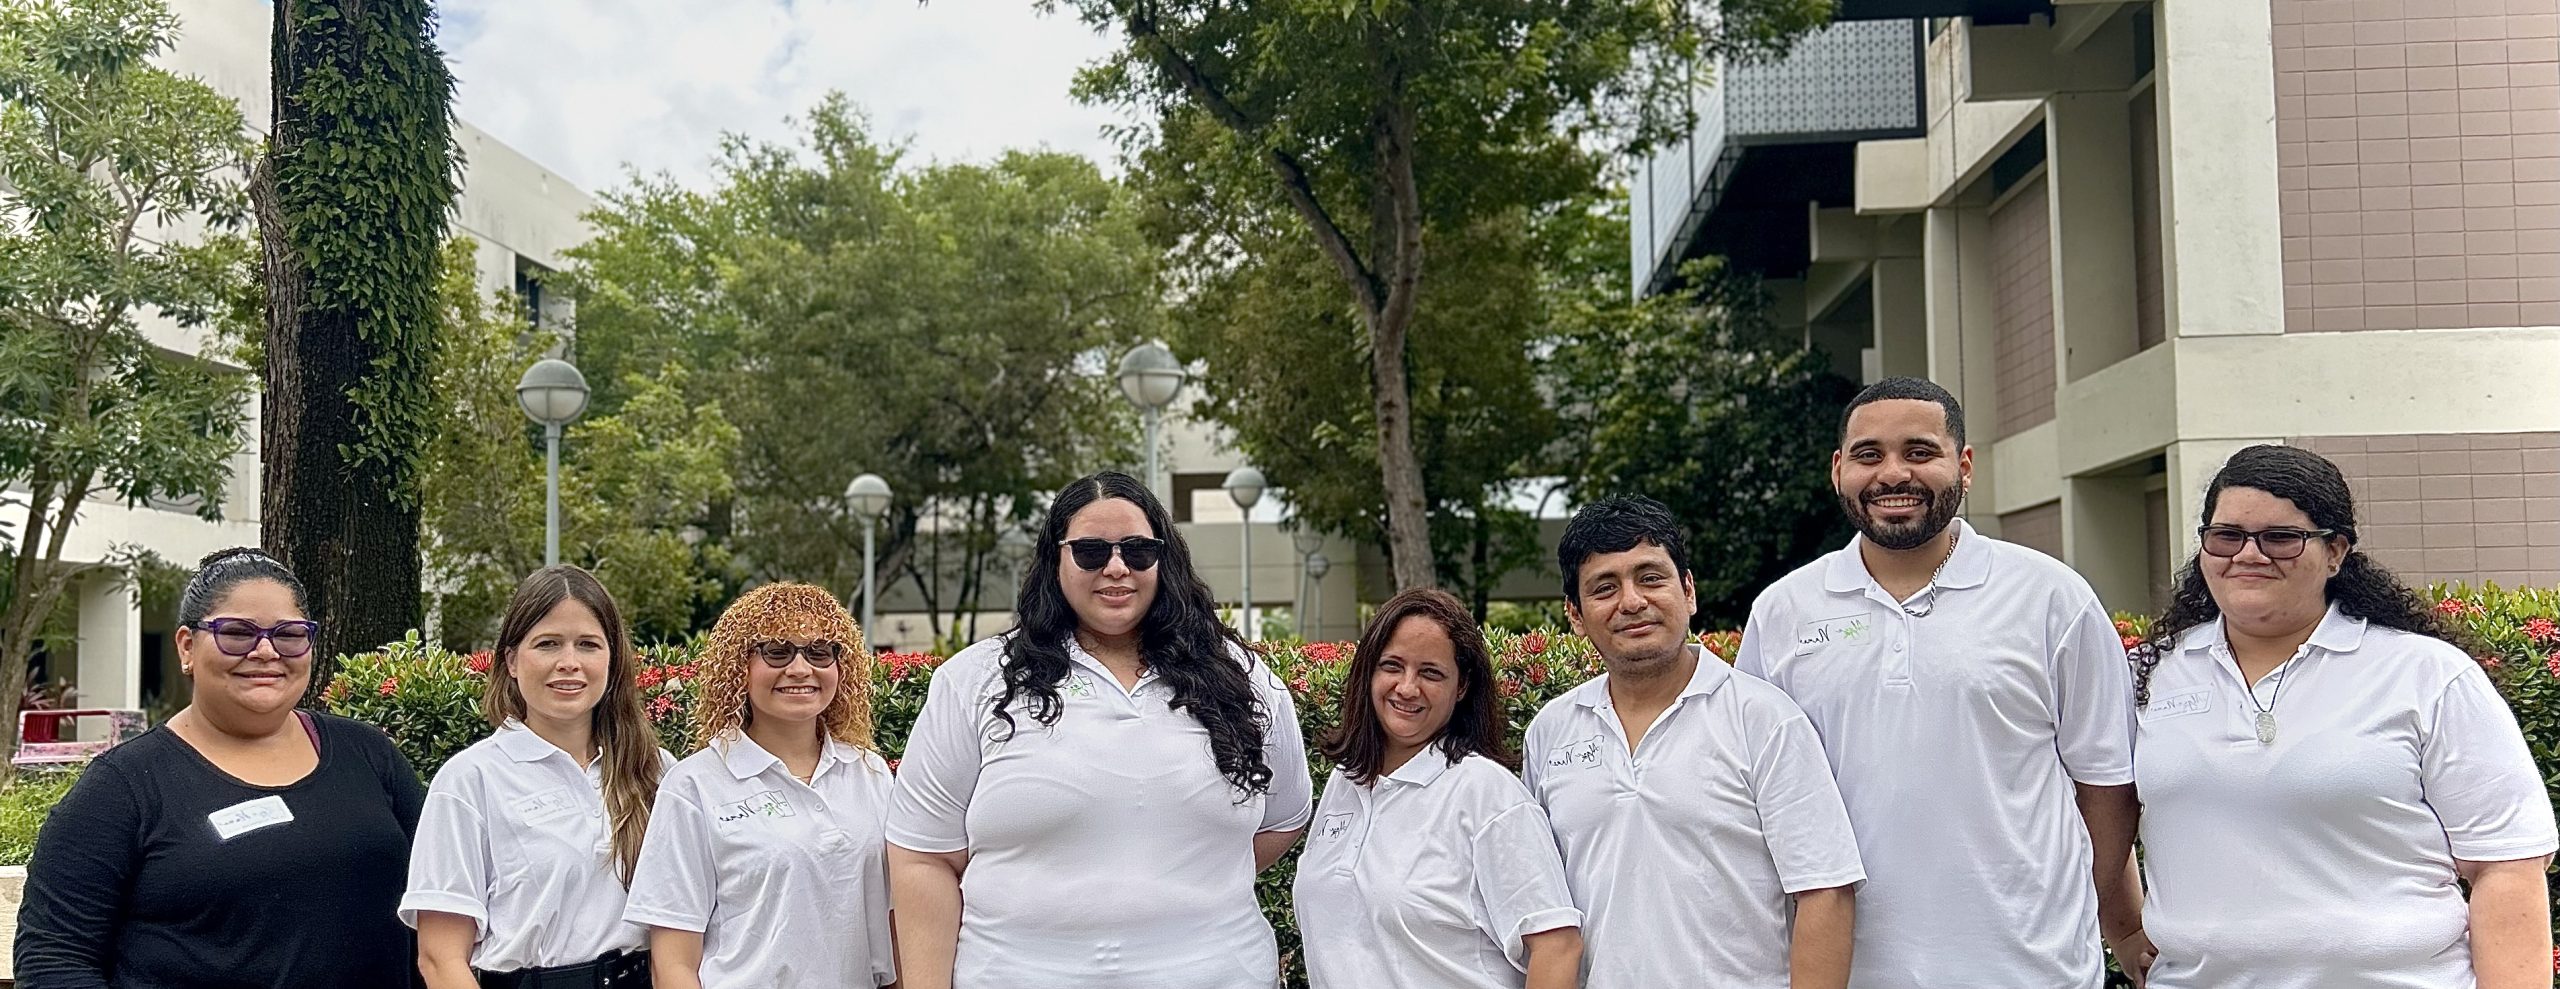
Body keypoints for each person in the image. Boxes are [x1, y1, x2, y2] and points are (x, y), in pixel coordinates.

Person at [1733, 377, 2140, 989]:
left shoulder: (2051, 597)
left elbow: (2106, 784)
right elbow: (1758, 799)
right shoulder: (1783, 611)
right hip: (1849, 972)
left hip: (2030, 968)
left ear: (1964, 465)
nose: (1893, 474)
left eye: (1920, 452)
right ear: (1838, 469)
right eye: (1869, 455)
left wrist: (2107, 917)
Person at [2124, 444, 2555, 989]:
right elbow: (2102, 820)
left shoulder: (2429, 676)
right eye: (2227, 535)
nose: (2249, 554)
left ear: (2335, 551)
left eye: (2281, 538)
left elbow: (2506, 865)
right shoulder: (2147, 675)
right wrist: (2124, 933)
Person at [887, 470, 1313, 989]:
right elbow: (923, 855)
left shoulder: (1244, 681)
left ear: (1165, 558)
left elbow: (1285, 818)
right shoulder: (974, 682)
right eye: (1090, 551)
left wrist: (1179, 878)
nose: (1116, 568)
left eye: (1137, 551)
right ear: (1055, 559)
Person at [14, 547, 427, 988]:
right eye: (236, 632)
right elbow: (53, 961)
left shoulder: (367, 754)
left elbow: (447, 896)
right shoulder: (122, 789)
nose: (266, 651)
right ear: (187, 647)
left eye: (288, 634)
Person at [1524, 497, 1862, 989]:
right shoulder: (1551, 732)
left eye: (1651, 578)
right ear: (1575, 616)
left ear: (1688, 590)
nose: (1632, 601)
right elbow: (1544, 909)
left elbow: (1825, 893)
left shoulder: (1764, 720)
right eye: (1604, 588)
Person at [1294, 588, 1584, 989]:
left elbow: (1557, 947)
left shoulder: (1487, 794)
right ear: (1368, 672)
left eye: (1431, 673)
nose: (1407, 688)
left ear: (1462, 686)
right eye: (1392, 666)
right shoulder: (1347, 783)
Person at [404, 565, 670, 988]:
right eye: (547, 644)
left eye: (588, 645)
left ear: (612, 658)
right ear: (511, 660)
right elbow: (440, 959)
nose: (570, 663)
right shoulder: (470, 781)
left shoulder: (658, 770)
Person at [622, 582, 897, 989]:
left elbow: (896, 924)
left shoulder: (870, 774)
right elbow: (673, 962)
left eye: (820, 651)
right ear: (738, 666)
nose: (801, 669)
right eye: (776, 651)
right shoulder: (695, 785)